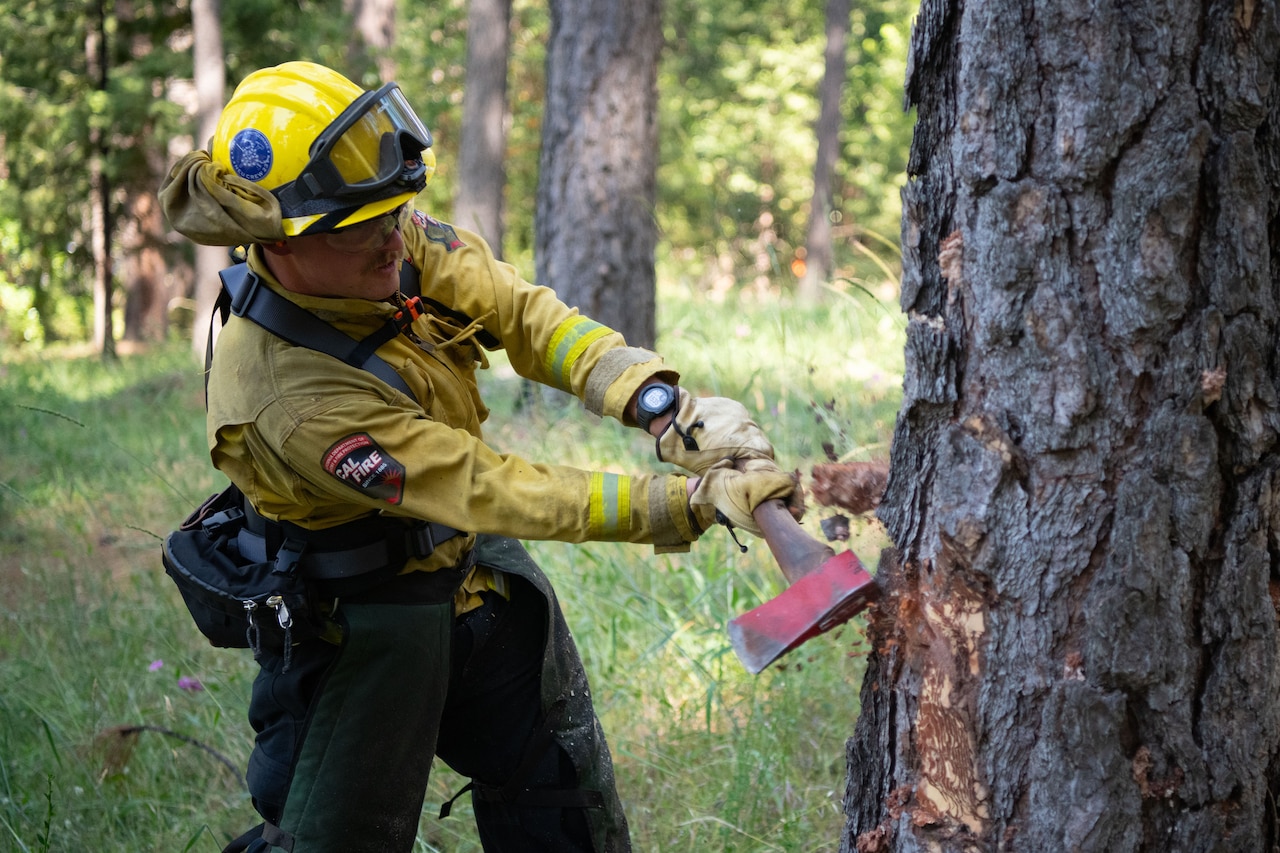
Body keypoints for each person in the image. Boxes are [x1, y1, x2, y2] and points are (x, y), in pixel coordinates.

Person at [159, 60, 798, 853]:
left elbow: (521, 312)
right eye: (367, 225)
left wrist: (662, 406)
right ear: (279, 240)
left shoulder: (372, 230)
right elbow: (484, 486)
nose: (396, 235)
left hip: (471, 580)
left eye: (399, 211)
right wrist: (684, 503)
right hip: (362, 631)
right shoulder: (289, 397)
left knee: (560, 803)